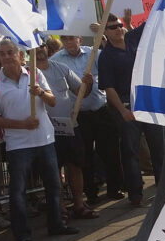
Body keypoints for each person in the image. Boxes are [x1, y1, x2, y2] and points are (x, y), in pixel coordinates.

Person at [0, 38, 79, 241]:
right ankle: (23, 234)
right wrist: (21, 124)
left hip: (45, 139)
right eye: (3, 54)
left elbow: (53, 101)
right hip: (18, 145)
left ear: (20, 55)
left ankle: (56, 224)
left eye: (11, 52)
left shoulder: (35, 74)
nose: (8, 57)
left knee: (53, 184)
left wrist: (41, 93)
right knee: (18, 191)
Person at [97, 10, 165, 207]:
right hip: (127, 105)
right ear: (105, 32)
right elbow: (109, 89)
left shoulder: (132, 38)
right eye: (113, 27)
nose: (118, 29)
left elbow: (151, 23)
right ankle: (135, 194)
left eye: (119, 25)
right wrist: (122, 110)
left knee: (158, 148)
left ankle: (163, 188)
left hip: (147, 102)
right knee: (131, 151)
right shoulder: (106, 56)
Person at [51, 33, 124, 204]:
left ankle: (115, 187)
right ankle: (90, 193)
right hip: (78, 114)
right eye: (65, 39)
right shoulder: (56, 60)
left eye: (71, 38)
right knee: (84, 156)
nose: (68, 42)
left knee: (110, 151)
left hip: (99, 109)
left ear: (80, 40)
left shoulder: (94, 54)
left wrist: (103, 36)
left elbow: (109, 62)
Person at [35, 41, 99, 221]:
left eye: (41, 46)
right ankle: (60, 208)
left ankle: (79, 204)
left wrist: (89, 84)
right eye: (35, 47)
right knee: (53, 170)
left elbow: (81, 92)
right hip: (45, 131)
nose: (39, 50)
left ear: (46, 48)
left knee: (75, 165)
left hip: (69, 126)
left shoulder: (61, 68)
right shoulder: (27, 74)